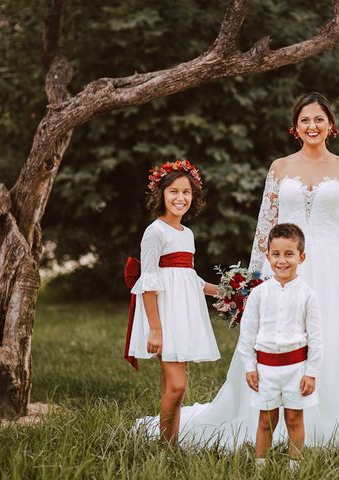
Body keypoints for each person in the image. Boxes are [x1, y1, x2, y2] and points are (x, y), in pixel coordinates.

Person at [161, 92, 339, 452]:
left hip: (333, 266)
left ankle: (331, 417)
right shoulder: (280, 168)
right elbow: (265, 226)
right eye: (305, 120)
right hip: (282, 266)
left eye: (319, 119)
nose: (312, 126)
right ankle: (267, 421)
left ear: (330, 125)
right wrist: (254, 277)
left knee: (333, 340)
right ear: (295, 127)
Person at [126, 159, 221, 444]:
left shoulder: (187, 234)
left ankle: (170, 441)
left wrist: (226, 292)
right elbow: (149, 282)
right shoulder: (155, 232)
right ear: (161, 194)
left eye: (186, 193)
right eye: (174, 192)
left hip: (182, 314)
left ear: (194, 197)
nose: (181, 198)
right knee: (178, 386)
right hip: (163, 317)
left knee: (172, 385)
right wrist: (155, 329)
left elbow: (189, 278)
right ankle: (166, 446)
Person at [237, 223, 323, 468]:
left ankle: (295, 467)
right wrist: (249, 366)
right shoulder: (259, 294)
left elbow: (316, 338)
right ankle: (260, 466)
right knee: (266, 420)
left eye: (289, 254)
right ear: (268, 257)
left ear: (301, 257)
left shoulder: (308, 295)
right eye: (276, 254)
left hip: (296, 368)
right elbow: (248, 333)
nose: (282, 261)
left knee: (295, 419)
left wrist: (311, 372)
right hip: (265, 370)